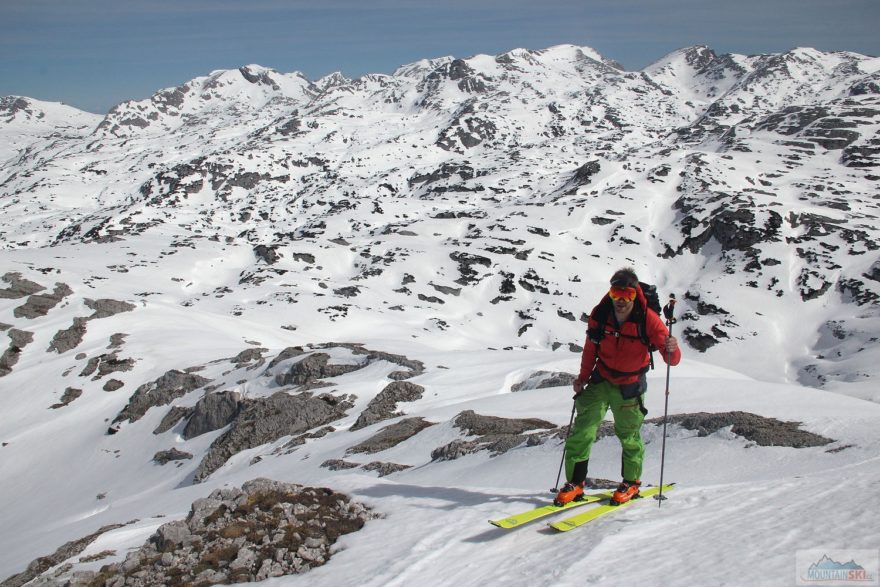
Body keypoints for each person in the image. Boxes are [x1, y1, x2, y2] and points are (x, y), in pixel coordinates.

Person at [555, 268, 681, 506]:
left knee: (629, 436)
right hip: (601, 379)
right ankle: (576, 483)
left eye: (628, 295)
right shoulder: (601, 314)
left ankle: (631, 482)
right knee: (583, 431)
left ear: (635, 295)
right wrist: (582, 378)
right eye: (616, 293)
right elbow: (591, 348)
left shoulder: (648, 320)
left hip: (630, 385)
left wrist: (672, 347)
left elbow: (671, 360)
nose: (621, 301)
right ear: (610, 293)